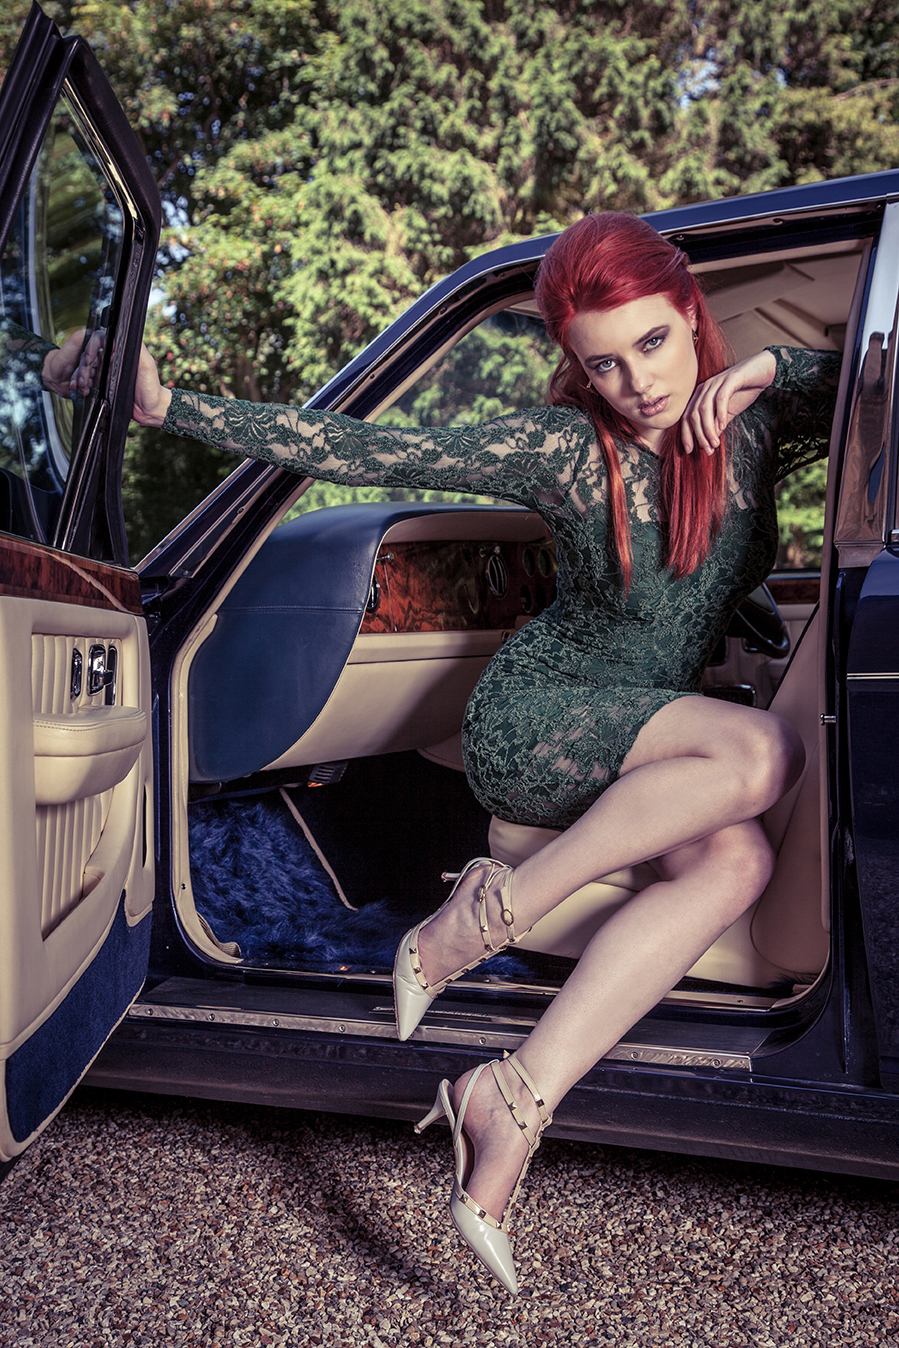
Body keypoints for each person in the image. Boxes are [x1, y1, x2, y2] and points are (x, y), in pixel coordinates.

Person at [74, 212, 840, 1293]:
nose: (636, 384)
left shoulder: (750, 423)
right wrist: (167, 407)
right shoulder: (566, 449)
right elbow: (364, 449)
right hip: (543, 715)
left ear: (689, 314)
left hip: (647, 720)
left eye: (652, 343)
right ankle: (479, 920)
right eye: (603, 364)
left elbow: (865, 383)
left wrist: (767, 367)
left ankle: (510, 1099)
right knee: (762, 752)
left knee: (738, 862)